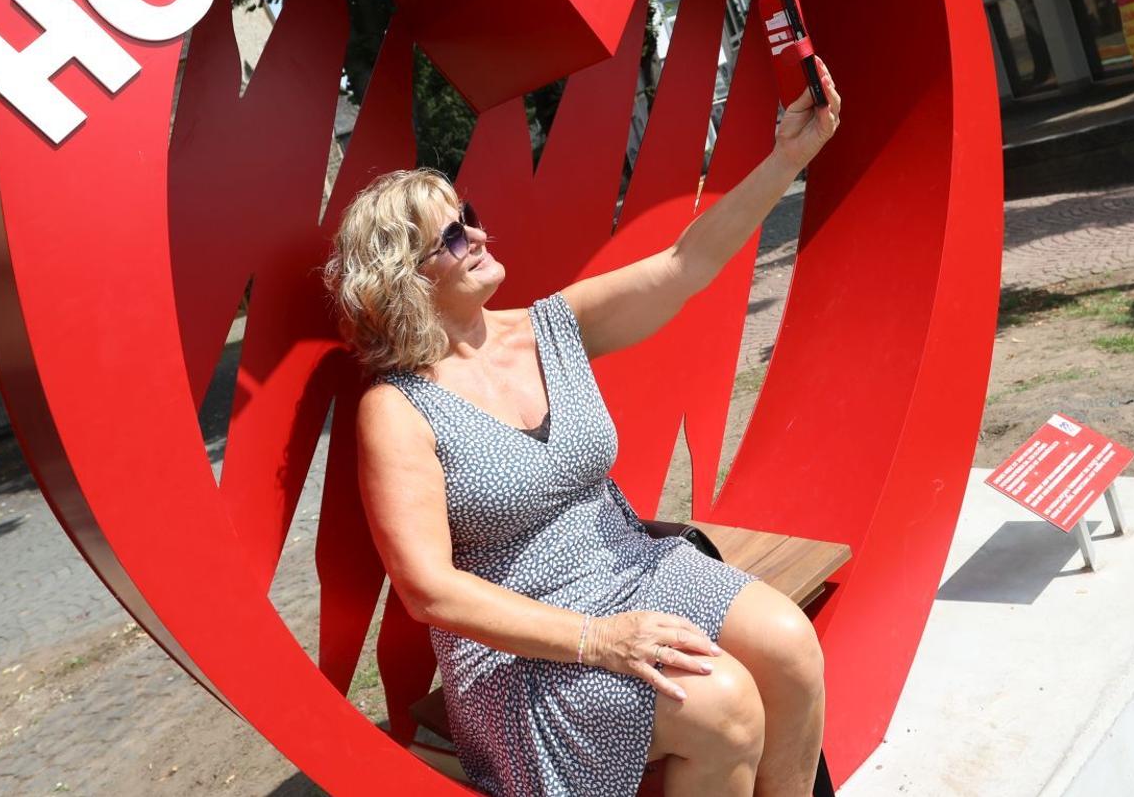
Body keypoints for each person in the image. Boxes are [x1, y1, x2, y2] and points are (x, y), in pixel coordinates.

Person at [324, 59, 842, 796]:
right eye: (453, 237)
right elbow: (429, 590)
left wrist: (789, 157)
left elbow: (686, 263)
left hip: (632, 567)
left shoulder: (549, 327)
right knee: (724, 708)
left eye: (469, 215)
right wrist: (596, 639)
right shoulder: (399, 408)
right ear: (403, 281)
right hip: (518, 647)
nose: (479, 234)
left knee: (792, 647)